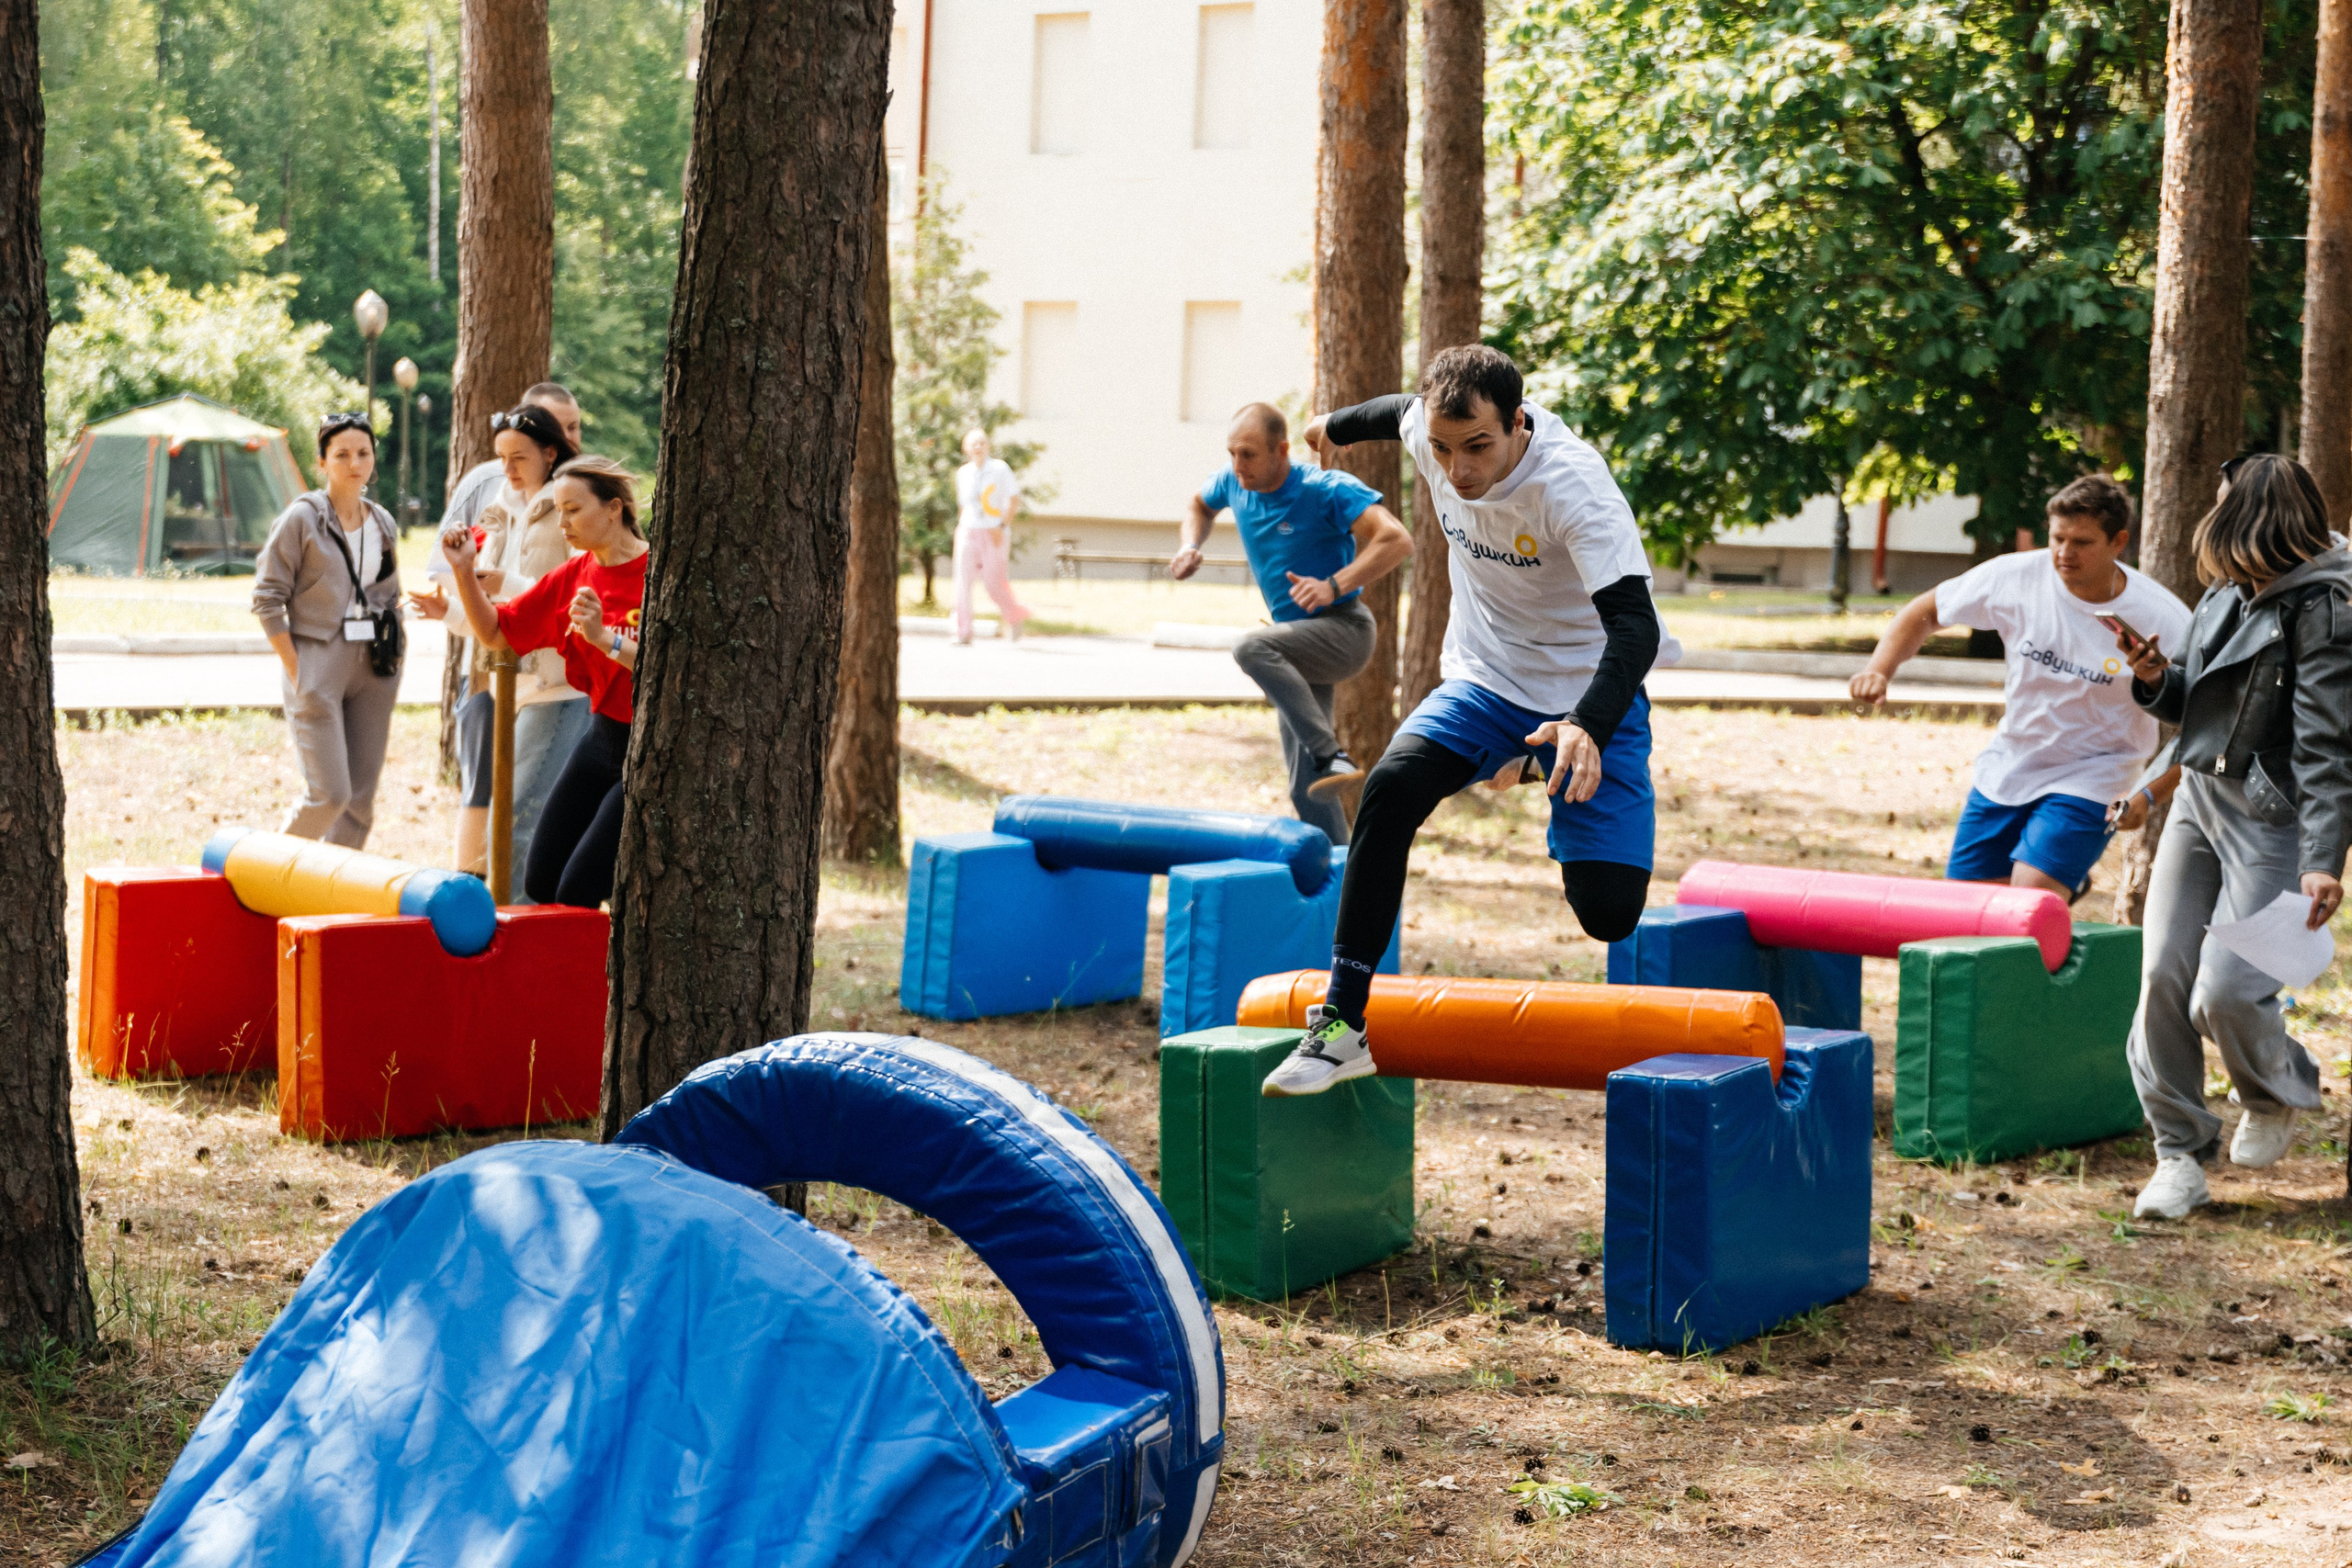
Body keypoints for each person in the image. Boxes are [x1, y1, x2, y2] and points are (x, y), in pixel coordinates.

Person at [1261, 345, 1677, 1096]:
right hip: (1486, 679)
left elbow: (1636, 630)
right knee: (1389, 790)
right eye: (1446, 450)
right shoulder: (1434, 428)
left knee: (1609, 912)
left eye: (1479, 446)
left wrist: (1585, 722)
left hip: (1589, 696)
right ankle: (1340, 1025)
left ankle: (1543, 762)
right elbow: (1396, 412)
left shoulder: (1573, 487)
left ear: (1518, 422)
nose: (1458, 470)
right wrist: (1333, 426)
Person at [2117, 454, 2352, 1220]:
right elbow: (2194, 705)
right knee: (2161, 979)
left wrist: (2323, 860)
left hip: (2274, 816)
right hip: (2199, 803)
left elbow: (2326, 745)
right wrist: (2154, 676)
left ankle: (2279, 1088)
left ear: (2255, 520)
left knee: (2228, 989)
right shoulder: (2225, 592)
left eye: (2222, 508)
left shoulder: (2324, 607)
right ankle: (2178, 1153)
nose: (2209, 521)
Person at [1850, 474, 2193, 897]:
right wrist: (1880, 669)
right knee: (1969, 907)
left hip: (2096, 772)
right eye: (2057, 539)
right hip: (2013, 761)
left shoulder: (2162, 617)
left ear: (2118, 542)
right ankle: (2070, 883)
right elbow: (1925, 611)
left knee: (2028, 900)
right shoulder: (2016, 576)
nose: (2065, 554)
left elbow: (2209, 725)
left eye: (2082, 543)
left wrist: (2148, 797)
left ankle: (2057, 880)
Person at [1170, 402, 1413, 842]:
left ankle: (1330, 753)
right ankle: (1342, 891)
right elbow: (1199, 505)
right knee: (1307, 793)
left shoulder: (1324, 489)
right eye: (1232, 454)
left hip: (1343, 630)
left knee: (1251, 647)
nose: (1237, 466)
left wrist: (1334, 585)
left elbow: (1396, 539)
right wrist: (1190, 545)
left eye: (1249, 455)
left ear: (1281, 450)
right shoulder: (1232, 482)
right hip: (1296, 644)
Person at [441, 457, 649, 908]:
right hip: (602, 739)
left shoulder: (657, 573)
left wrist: (604, 640)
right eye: (558, 512)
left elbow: (672, 669)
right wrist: (463, 572)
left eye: (573, 510)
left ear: (614, 509)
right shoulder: (574, 576)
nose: (563, 524)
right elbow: (498, 631)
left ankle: (605, 971)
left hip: (648, 749)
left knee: (578, 890)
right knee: (541, 880)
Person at [409, 403, 587, 883]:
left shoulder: (570, 510)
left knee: (517, 823)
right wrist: (447, 609)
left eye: (518, 458)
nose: (505, 469)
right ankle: (515, 921)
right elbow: (494, 618)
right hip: (506, 687)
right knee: (511, 819)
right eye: (501, 456)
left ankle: (512, 927)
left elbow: (575, 600)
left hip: (558, 689)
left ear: (550, 454)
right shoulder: (499, 514)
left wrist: (505, 581)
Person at [251, 412, 404, 847]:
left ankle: (330, 898)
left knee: (360, 801)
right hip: (317, 657)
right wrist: (297, 668)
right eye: (341, 454)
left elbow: (388, 596)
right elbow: (266, 599)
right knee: (329, 795)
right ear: (322, 462)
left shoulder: (382, 522)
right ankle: (270, 874)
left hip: (374, 666)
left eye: (363, 453)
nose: (354, 463)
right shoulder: (301, 519)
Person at [952, 428, 1034, 644]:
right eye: (973, 443)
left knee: (993, 582)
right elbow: (963, 506)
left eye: (982, 443)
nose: (978, 447)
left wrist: (1002, 525)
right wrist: (962, 528)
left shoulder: (999, 469)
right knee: (962, 582)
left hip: (994, 530)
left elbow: (1014, 499)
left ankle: (1015, 617)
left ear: (988, 446)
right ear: (966, 448)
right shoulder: (963, 473)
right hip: (969, 529)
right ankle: (963, 631)